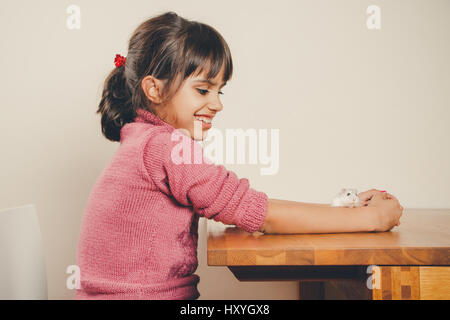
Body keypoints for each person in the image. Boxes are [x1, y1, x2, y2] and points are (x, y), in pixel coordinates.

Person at [75, 11, 403, 300]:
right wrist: (369, 220)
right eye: (203, 90)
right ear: (154, 89)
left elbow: (250, 205)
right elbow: (260, 214)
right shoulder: (164, 146)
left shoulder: (143, 140)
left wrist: (347, 211)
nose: (217, 104)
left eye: (220, 91)